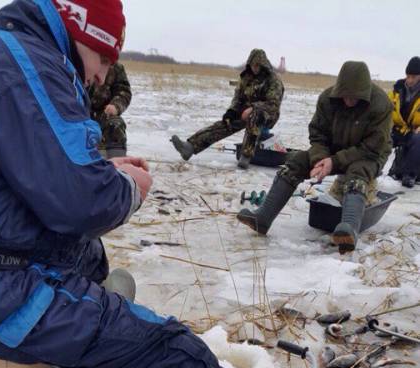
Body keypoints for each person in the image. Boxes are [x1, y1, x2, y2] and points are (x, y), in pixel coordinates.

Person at [0, 2, 403, 368]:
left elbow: (19, 179)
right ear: (82, 32)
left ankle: (90, 323)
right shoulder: (25, 63)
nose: (102, 75)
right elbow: (80, 203)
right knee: (161, 347)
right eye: (105, 59)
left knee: (93, 267)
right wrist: (127, 187)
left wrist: (99, 167)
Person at [238, 61, 393, 252]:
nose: (349, 101)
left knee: (357, 172)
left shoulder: (381, 105)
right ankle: (263, 218)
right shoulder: (327, 99)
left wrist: (333, 162)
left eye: (354, 98)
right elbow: (318, 134)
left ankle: (349, 230)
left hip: (369, 155)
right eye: (345, 96)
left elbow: (373, 146)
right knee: (295, 162)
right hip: (332, 152)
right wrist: (320, 159)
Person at [170, 49, 284, 170]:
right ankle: (189, 147)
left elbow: (273, 104)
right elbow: (238, 98)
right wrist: (232, 111)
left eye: (257, 65)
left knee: (255, 115)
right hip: (247, 112)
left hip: (267, 115)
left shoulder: (273, 79)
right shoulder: (246, 77)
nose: (254, 68)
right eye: (252, 65)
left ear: (263, 65)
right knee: (226, 123)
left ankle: (246, 155)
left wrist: (253, 108)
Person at [388, 57, 420, 188]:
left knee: (419, 139)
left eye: (413, 76)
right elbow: (384, 111)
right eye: (408, 76)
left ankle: (409, 175)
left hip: (414, 133)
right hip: (397, 130)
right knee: (378, 137)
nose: (410, 80)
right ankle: (371, 170)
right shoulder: (396, 91)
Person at [88, 60, 132, 157]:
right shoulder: (78, 59)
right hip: (77, 113)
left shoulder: (116, 68)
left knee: (116, 124)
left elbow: (124, 92)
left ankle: (117, 163)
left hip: (102, 114)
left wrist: (115, 106)